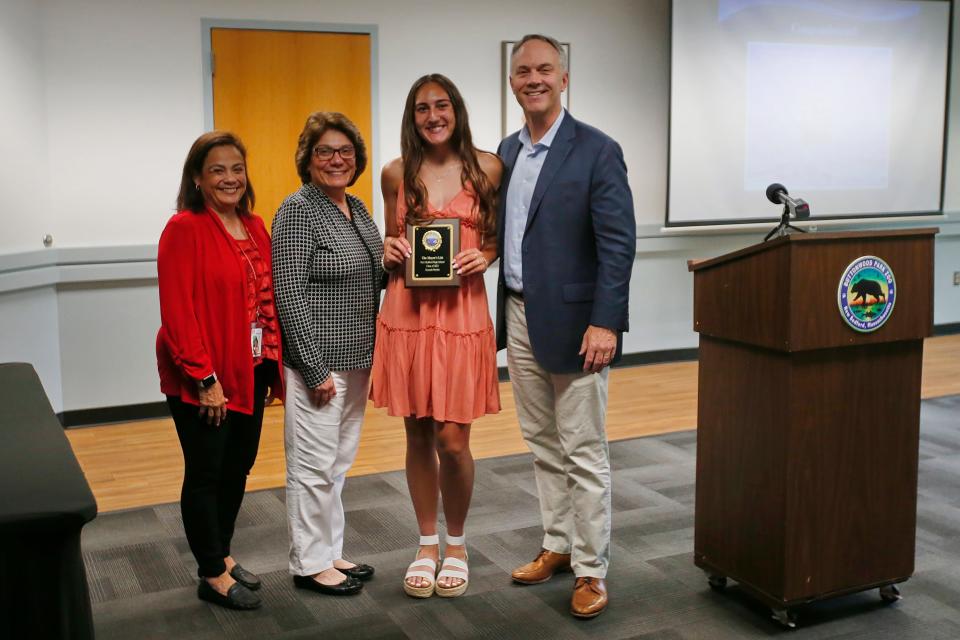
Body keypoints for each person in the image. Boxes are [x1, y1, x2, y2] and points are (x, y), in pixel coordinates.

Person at [496, 34, 636, 619]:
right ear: (512, 81)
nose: (534, 78)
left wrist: (606, 321)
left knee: (584, 450)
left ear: (564, 78)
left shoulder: (598, 150)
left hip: (580, 325)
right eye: (524, 70)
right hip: (520, 314)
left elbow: (618, 244)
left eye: (545, 69)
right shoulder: (504, 152)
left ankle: (591, 569)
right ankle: (557, 544)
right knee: (543, 444)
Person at [370, 74, 502, 598]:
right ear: (412, 116)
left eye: (441, 105)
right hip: (408, 311)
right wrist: (389, 249)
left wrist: (484, 256)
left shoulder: (487, 167)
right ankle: (426, 544)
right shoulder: (395, 173)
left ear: (457, 109)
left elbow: (494, 239)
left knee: (453, 438)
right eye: (422, 108)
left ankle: (459, 542)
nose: (432, 116)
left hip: (462, 314)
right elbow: (390, 237)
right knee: (418, 434)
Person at [157, 131, 284, 611]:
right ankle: (210, 572)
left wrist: (269, 368)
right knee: (207, 471)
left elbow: (265, 301)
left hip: (247, 368)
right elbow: (177, 311)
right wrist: (204, 378)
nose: (230, 178)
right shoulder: (184, 228)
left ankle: (222, 554)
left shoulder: (254, 225)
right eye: (217, 170)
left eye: (236, 168)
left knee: (238, 467)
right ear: (197, 178)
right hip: (204, 377)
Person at [272, 112, 383, 597]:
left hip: (358, 359)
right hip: (318, 363)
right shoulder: (298, 210)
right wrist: (314, 367)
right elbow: (289, 293)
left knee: (336, 465)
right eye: (325, 152)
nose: (337, 160)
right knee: (312, 467)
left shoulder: (356, 208)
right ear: (308, 159)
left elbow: (374, 275)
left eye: (345, 152)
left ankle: (330, 551)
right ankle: (309, 562)